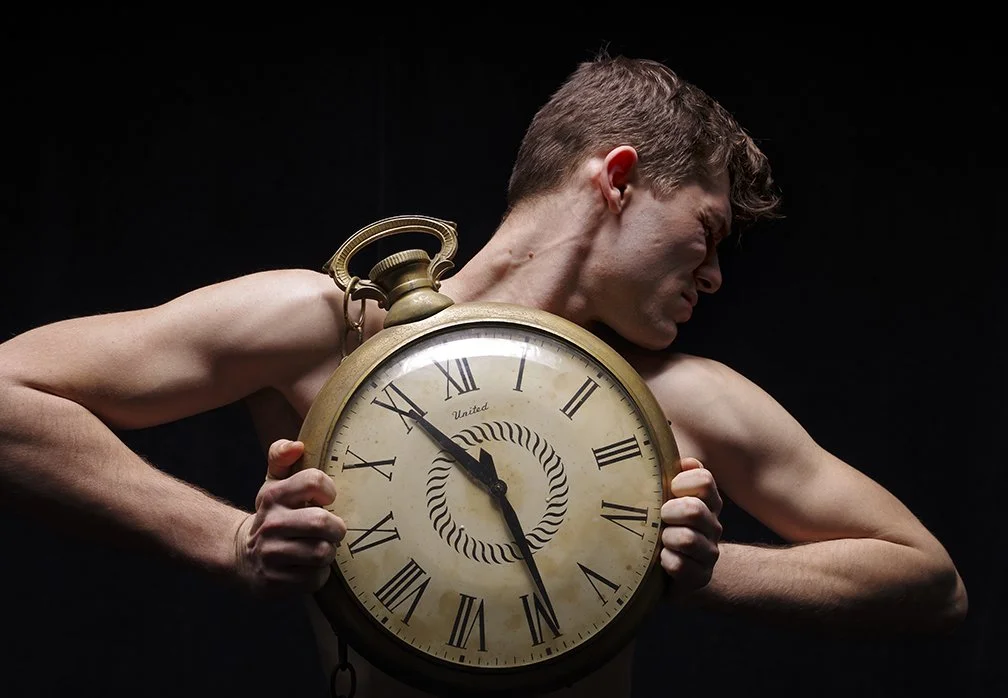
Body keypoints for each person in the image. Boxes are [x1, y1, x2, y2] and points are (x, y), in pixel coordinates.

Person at [0, 52, 967, 697]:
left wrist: (707, 576)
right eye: (707, 231)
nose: (714, 276)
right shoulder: (328, 329)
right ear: (618, 175)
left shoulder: (685, 401)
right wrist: (227, 542)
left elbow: (931, 584)